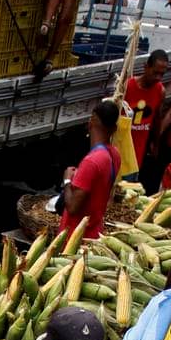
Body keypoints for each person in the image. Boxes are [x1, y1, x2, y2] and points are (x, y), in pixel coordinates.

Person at [59, 101, 121, 241]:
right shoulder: (114, 154)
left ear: (91, 121)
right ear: (114, 128)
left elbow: (73, 207)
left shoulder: (91, 162)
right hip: (95, 232)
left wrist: (67, 180)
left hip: (75, 239)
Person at [125, 50, 169, 175]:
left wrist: (156, 144)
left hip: (137, 154)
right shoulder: (127, 86)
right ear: (146, 67)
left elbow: (157, 119)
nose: (158, 78)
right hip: (120, 148)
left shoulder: (160, 91)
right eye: (155, 73)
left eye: (162, 74)